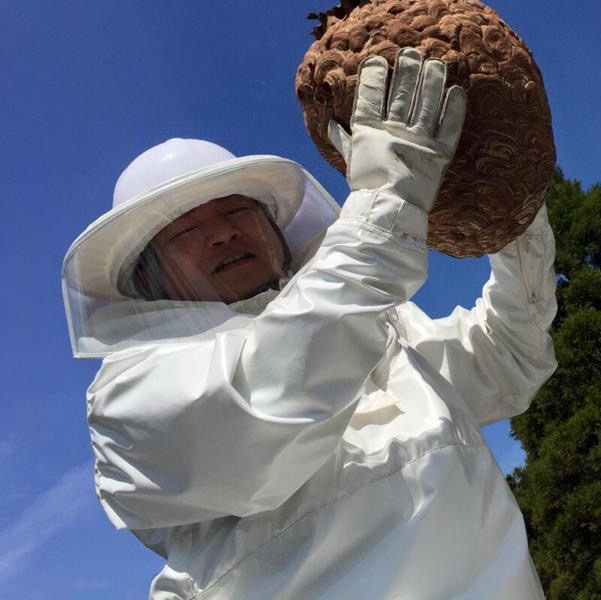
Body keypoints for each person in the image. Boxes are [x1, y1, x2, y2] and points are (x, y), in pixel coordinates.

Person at [61, 49, 558, 599]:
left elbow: (510, 360)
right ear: (149, 278)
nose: (222, 234)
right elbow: (272, 402)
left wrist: (513, 221)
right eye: (185, 232)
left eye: (235, 211)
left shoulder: (376, 330)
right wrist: (388, 201)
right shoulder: (129, 395)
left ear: (274, 231)